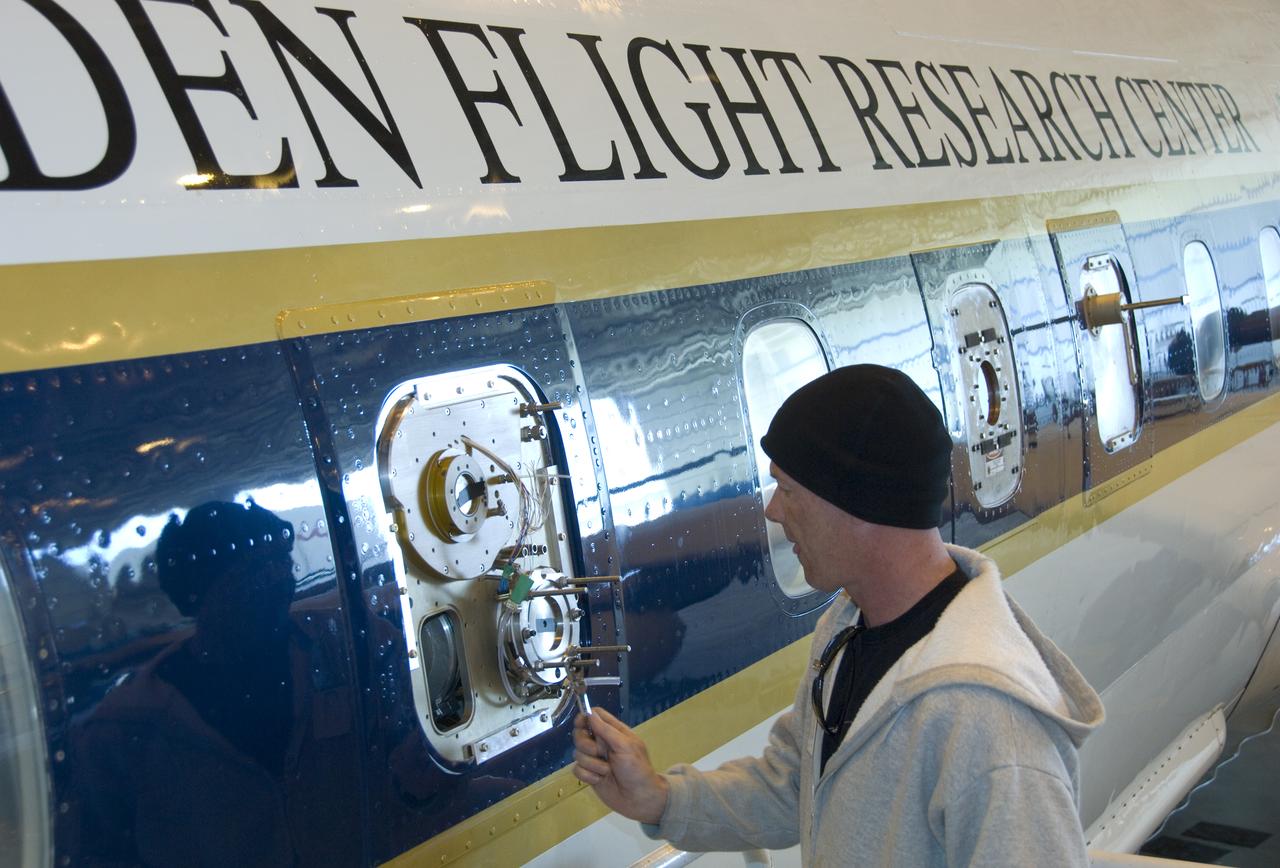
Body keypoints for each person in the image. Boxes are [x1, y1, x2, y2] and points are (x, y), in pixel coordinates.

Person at [572, 364, 1104, 866]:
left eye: (788, 488)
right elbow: (795, 787)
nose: (772, 510)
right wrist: (660, 799)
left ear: (858, 505)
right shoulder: (849, 628)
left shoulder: (989, 723)